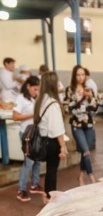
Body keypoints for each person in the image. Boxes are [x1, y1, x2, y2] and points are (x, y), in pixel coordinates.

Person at [34, 72, 67, 202]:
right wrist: (63, 146)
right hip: (52, 142)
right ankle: (50, 198)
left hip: (43, 140)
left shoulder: (40, 100)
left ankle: (47, 195)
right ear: (53, 84)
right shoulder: (53, 104)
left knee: (50, 170)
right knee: (52, 170)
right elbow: (56, 128)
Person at [12, 76, 44, 202]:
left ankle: (35, 184)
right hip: (27, 134)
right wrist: (33, 114)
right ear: (28, 86)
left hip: (37, 132)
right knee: (29, 161)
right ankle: (21, 189)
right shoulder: (20, 98)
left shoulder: (36, 98)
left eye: (38, 90)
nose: (36, 92)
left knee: (38, 159)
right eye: (35, 89)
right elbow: (15, 116)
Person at [66, 65, 98, 185]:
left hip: (89, 125)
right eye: (78, 75)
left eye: (83, 75)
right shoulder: (70, 90)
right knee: (86, 152)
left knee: (86, 152)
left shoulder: (89, 89)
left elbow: (95, 108)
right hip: (76, 125)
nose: (81, 77)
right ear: (74, 76)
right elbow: (70, 108)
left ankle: (80, 176)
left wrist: (90, 99)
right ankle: (91, 177)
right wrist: (81, 98)